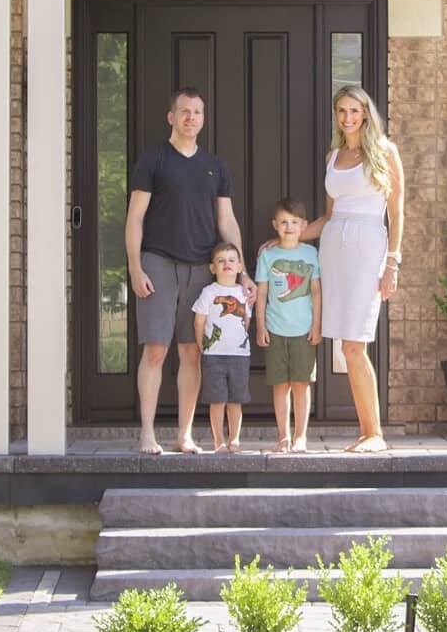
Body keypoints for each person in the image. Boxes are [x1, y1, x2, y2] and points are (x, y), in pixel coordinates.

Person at [124, 87, 254, 455]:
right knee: (155, 351)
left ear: (203, 118)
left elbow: (226, 221)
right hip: (158, 262)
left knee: (192, 353)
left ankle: (184, 435)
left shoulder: (215, 166)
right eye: (184, 111)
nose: (190, 118)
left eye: (197, 112)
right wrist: (135, 266)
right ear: (171, 117)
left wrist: (242, 271)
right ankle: (147, 434)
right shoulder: (154, 159)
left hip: (201, 268)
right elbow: (135, 217)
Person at [304, 86, 403, 454]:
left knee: (354, 343)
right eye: (341, 110)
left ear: (365, 113)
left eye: (354, 110)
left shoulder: (385, 152)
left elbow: (397, 213)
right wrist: (291, 235)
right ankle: (367, 432)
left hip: (369, 246)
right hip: (334, 247)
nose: (348, 117)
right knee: (344, 346)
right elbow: (329, 216)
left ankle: (373, 433)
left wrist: (393, 261)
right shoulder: (333, 156)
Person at [254, 197, 322, 454]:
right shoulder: (268, 255)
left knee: (301, 384)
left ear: (304, 225)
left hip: (303, 330)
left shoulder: (311, 254)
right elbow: (261, 293)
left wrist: (317, 324)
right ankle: (283, 436)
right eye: (283, 222)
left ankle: (301, 436)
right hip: (275, 328)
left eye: (294, 222)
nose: (289, 226)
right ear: (275, 225)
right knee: (281, 386)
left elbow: (316, 291)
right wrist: (260, 327)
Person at [192, 243, 253, 453]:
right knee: (217, 400)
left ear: (239, 267)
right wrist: (202, 345)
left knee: (236, 400)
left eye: (231, 260)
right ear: (212, 268)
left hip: (239, 356)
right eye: (221, 260)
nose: (227, 264)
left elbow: (246, 321)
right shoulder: (209, 292)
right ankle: (218, 440)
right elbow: (199, 322)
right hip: (214, 356)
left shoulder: (244, 293)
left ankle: (234, 439)